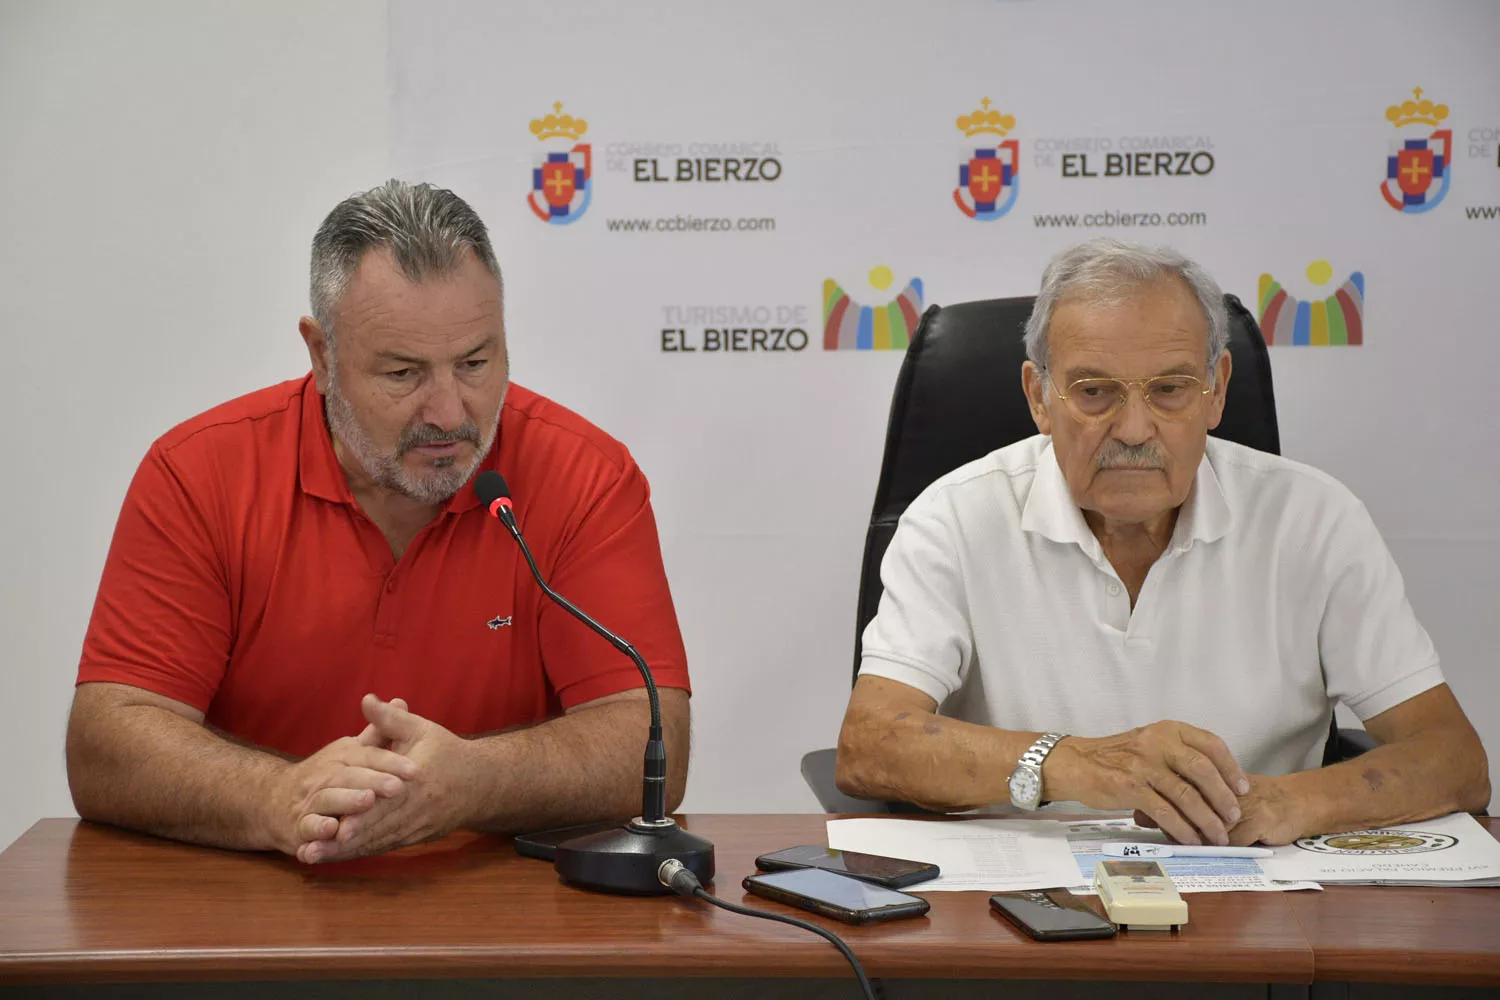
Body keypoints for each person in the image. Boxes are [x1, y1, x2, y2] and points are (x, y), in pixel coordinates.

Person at [67, 180, 691, 864]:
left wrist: (474, 783)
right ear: (323, 357)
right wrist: (282, 797)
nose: (451, 413)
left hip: (505, 919)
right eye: (404, 374)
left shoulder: (584, 475)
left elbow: (650, 740)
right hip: (250, 911)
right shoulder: (198, 473)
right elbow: (108, 742)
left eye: (476, 363)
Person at [835, 238, 1489, 846]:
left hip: (1261, 908)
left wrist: (1289, 804)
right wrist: (1073, 762)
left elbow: (1454, 760)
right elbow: (870, 743)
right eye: (1095, 392)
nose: (1134, 427)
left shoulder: (1313, 519)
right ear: (1040, 397)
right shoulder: (954, 518)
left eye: (1170, 389)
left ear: (1217, 391)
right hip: (1019, 918)